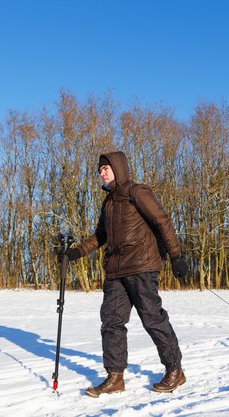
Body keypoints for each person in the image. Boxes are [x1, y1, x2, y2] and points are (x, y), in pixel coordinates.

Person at [61, 151, 189, 397]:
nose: (101, 173)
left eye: (105, 168)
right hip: (115, 270)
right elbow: (100, 236)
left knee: (152, 317)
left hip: (141, 265)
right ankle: (115, 377)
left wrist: (176, 257)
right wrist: (76, 253)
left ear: (118, 169)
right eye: (99, 170)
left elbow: (162, 221)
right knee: (111, 322)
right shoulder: (108, 203)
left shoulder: (137, 192)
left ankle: (175, 369)